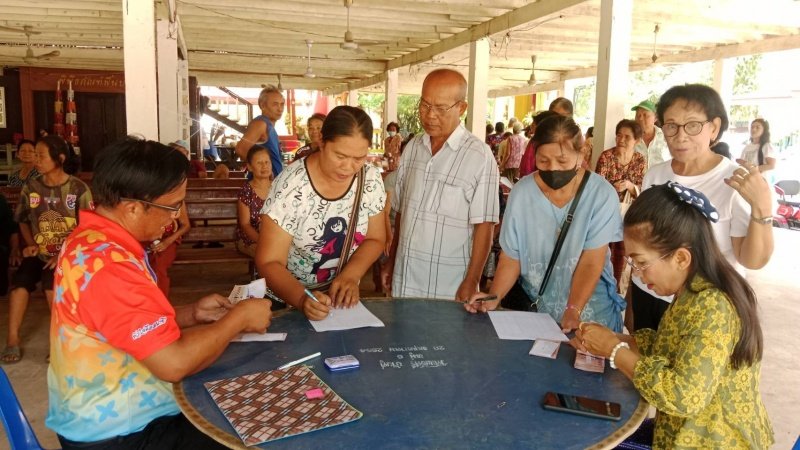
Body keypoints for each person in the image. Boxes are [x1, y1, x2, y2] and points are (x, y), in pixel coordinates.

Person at [46, 137, 272, 450]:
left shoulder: (91, 239)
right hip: (119, 432)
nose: (177, 215)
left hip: (98, 412)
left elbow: (120, 324)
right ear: (133, 207)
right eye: (172, 205)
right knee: (255, 433)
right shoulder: (111, 267)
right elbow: (173, 363)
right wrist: (238, 319)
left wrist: (192, 313)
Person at [577, 182, 773, 449]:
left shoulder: (713, 306)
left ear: (681, 258)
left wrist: (615, 351)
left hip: (712, 441)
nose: (637, 274)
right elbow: (671, 348)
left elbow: (684, 396)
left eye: (642, 263)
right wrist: (617, 339)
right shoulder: (692, 292)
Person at [629, 84, 774, 331]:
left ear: (714, 128)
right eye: (671, 126)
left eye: (693, 125)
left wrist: (762, 208)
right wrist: (632, 302)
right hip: (650, 294)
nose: (680, 136)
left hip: (703, 308)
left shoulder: (735, 181)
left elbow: (752, 260)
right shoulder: (654, 175)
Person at [465, 115, 625, 333]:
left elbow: (591, 261)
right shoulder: (522, 193)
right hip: (537, 314)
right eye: (543, 161)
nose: (553, 169)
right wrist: (495, 295)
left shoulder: (601, 195)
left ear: (580, 155)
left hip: (590, 315)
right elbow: (512, 257)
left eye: (562, 161)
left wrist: (573, 310)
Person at [257, 106, 386, 320]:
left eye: (359, 158)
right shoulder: (291, 187)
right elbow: (269, 262)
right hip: (286, 300)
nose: (348, 167)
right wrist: (301, 298)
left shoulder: (369, 178)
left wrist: (351, 276)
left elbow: (375, 238)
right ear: (322, 143)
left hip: (341, 300)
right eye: (340, 156)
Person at [386, 68, 499, 301]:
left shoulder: (479, 155)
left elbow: (484, 226)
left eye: (440, 108)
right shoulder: (414, 147)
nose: (430, 115)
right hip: (404, 279)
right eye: (425, 105)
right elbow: (402, 212)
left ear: (462, 108)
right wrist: (391, 260)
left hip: (449, 286)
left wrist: (472, 280)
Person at [2, 136, 92, 364]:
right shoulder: (31, 187)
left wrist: (64, 252)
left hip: (68, 255)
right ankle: (12, 340)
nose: (36, 160)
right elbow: (22, 219)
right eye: (36, 155)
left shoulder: (78, 189)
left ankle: (60, 343)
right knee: (20, 284)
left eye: (41, 155)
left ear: (59, 158)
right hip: (39, 252)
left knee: (53, 286)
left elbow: (88, 228)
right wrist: (30, 243)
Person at [595, 119, 646, 292]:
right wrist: (611, 187)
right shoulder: (606, 157)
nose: (621, 140)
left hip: (627, 215)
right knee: (602, 251)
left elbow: (641, 187)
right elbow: (598, 184)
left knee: (622, 253)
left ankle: (616, 289)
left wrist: (631, 187)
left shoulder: (640, 160)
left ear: (637, 141)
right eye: (619, 135)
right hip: (605, 213)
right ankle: (600, 286)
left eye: (627, 137)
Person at [235, 86, 286, 178]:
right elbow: (240, 150)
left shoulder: (269, 126)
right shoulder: (261, 124)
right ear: (262, 105)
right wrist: (264, 171)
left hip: (272, 186)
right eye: (275, 104)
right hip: (262, 186)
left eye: (282, 104)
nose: (280, 109)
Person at [236, 146, 272, 257]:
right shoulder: (246, 192)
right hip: (251, 240)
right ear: (250, 167)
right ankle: (263, 275)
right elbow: (245, 225)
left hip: (274, 237)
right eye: (259, 163)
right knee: (268, 255)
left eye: (267, 162)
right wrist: (263, 242)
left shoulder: (279, 187)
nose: (264, 166)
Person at [519, 110, 559, 178]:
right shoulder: (557, 142)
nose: (531, 126)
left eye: (534, 124)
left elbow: (527, 167)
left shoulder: (535, 142)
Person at [632, 99, 670, 170]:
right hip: (635, 180)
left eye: (645, 115)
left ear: (655, 118)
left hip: (661, 179)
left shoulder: (667, 137)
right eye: (638, 115)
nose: (640, 118)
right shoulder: (630, 137)